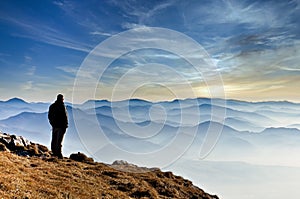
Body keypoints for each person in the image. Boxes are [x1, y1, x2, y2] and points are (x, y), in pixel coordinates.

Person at [48, 94, 68, 159]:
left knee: (54, 140)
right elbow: (65, 117)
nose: (63, 100)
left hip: (55, 126)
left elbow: (49, 116)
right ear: (61, 99)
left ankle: (54, 153)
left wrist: (52, 124)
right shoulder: (62, 106)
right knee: (59, 141)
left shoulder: (52, 106)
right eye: (62, 98)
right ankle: (59, 155)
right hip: (61, 127)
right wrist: (66, 125)